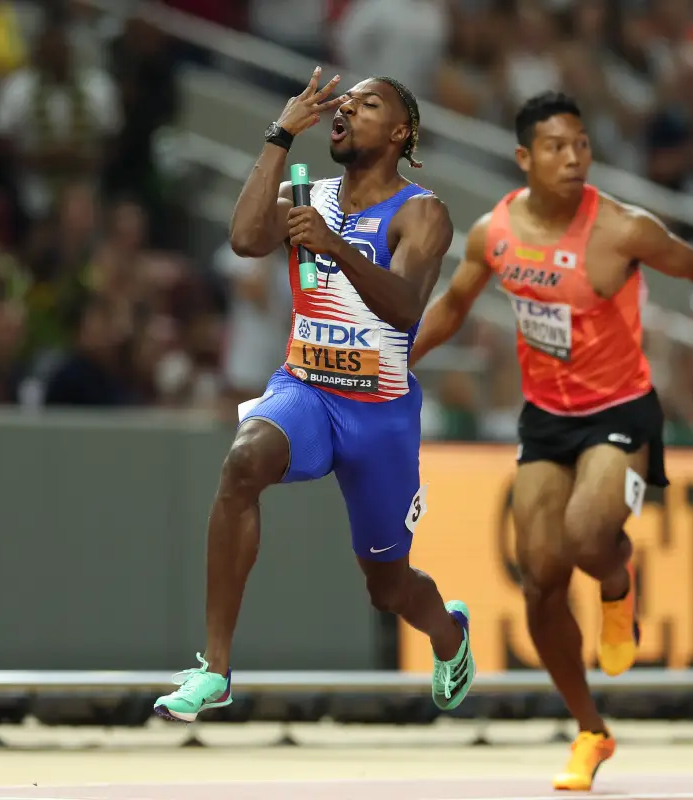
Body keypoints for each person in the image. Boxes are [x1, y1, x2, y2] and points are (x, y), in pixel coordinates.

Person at [409, 91, 693, 791]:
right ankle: (590, 731)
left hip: (622, 412)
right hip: (545, 420)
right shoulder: (494, 232)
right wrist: (393, 358)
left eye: (582, 145)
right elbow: (451, 306)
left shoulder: (623, 230)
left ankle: (618, 588)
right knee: (539, 581)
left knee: (589, 537)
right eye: (557, 148)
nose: (573, 158)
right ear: (524, 159)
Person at [153, 67, 474, 722]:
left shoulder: (422, 211)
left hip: (380, 414)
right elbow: (245, 239)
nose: (347, 110)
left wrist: (336, 249)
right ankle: (215, 668)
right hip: (306, 388)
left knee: (387, 588)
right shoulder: (311, 195)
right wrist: (278, 137)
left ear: (400, 130)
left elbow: (406, 308)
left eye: (368, 103)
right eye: (343, 103)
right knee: (242, 463)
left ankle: (449, 635)